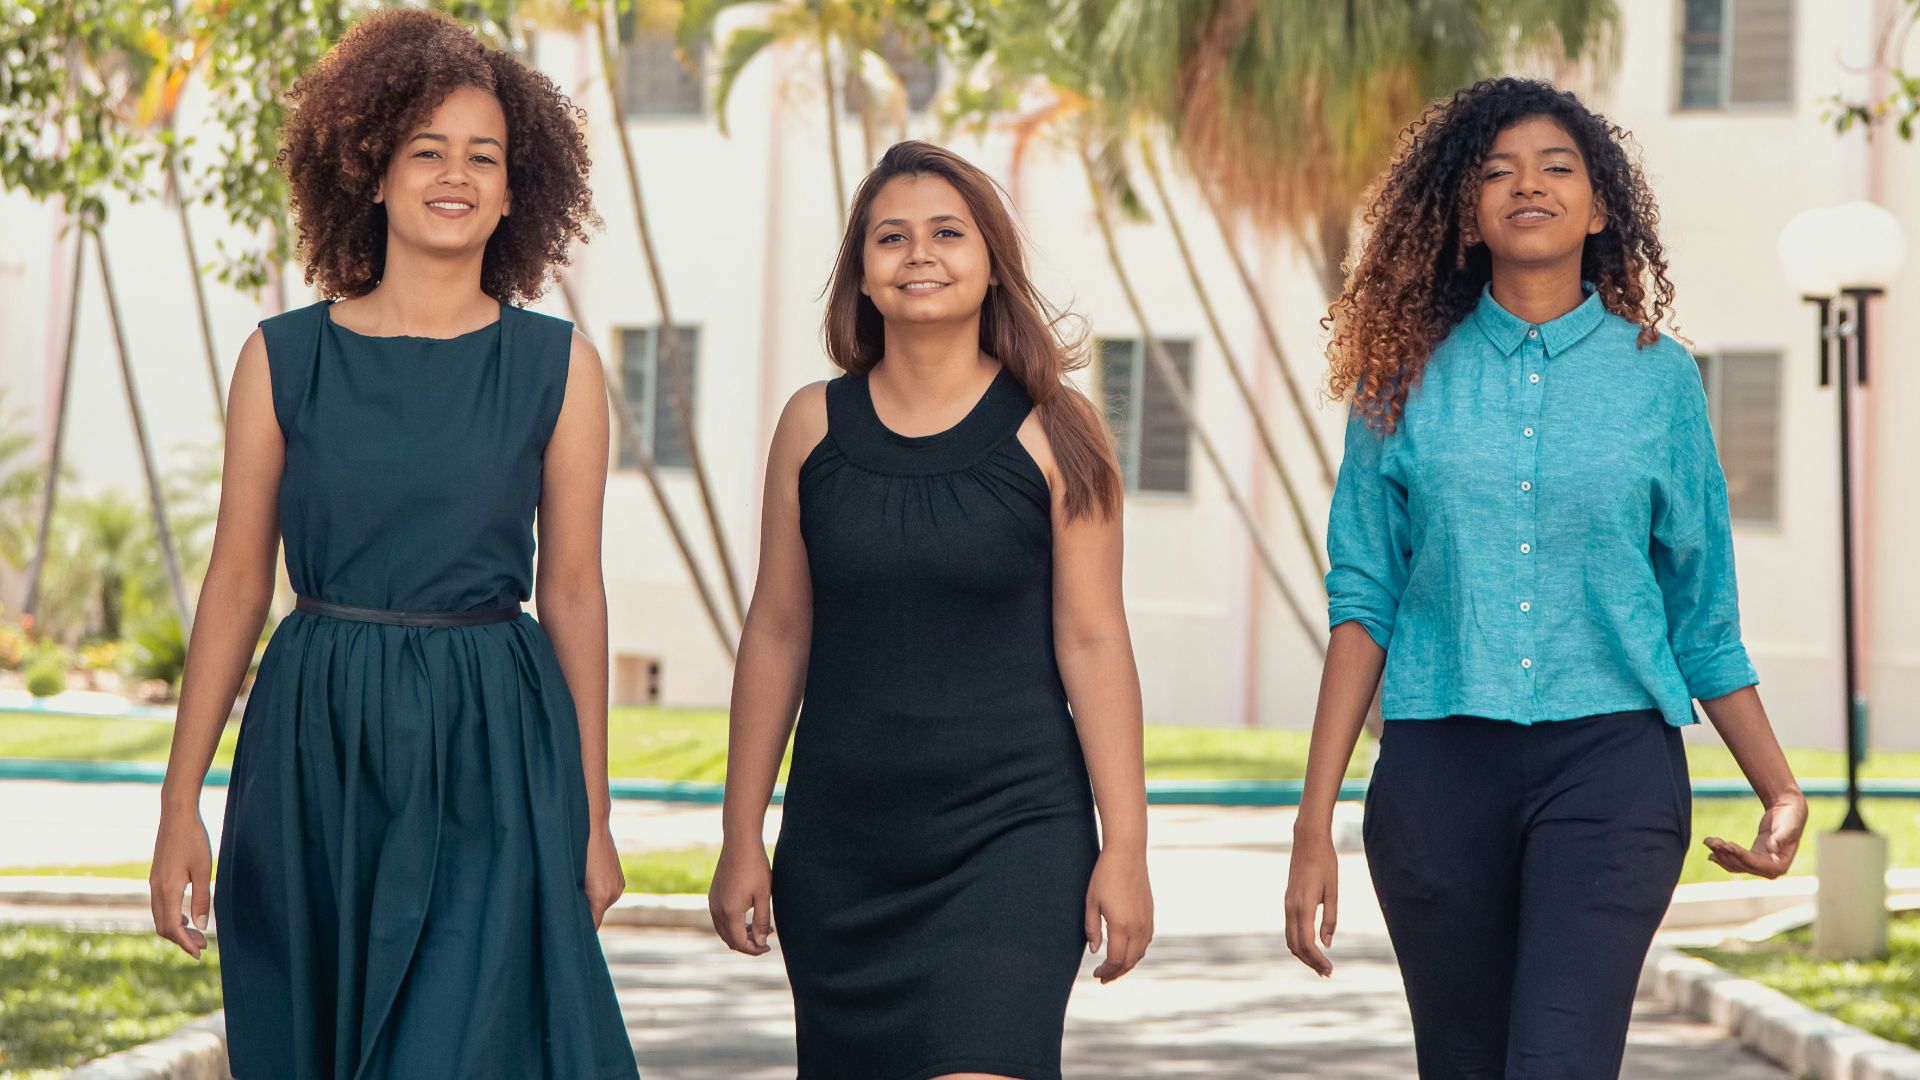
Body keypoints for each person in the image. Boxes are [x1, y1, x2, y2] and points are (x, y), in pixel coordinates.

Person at [1284, 77, 1809, 1080]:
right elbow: (1363, 603)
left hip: (1612, 773)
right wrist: (1312, 827)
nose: (1528, 185)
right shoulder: (1400, 380)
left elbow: (1701, 618)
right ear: (1465, 214)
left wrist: (1778, 788)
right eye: (1496, 171)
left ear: (1600, 205)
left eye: (1557, 167)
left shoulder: (1660, 381)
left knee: (1560, 1059)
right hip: (1438, 774)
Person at [146, 10, 637, 1078]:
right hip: (316, 741)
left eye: (483, 157)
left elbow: (576, 597)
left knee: (452, 1046)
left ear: (516, 191)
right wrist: (181, 800)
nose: (455, 176)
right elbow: (236, 584)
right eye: (427, 151)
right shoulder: (281, 359)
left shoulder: (559, 369)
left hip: (491, 741)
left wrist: (593, 816)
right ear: (372, 172)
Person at [707, 140, 1153, 1080]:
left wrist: (1128, 848)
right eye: (892, 238)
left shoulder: (1060, 430)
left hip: (1013, 837)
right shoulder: (810, 426)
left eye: (948, 233)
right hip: (842, 848)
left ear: (991, 261)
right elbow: (779, 632)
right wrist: (740, 833)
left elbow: (1094, 640)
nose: (920, 254)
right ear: (861, 277)